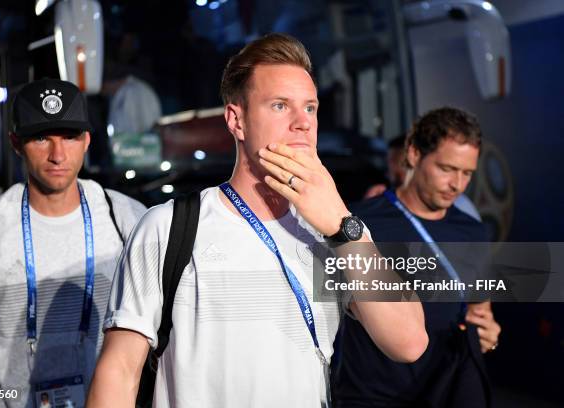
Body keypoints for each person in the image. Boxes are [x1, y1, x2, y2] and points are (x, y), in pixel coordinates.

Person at [86, 33, 427, 408]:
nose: (302, 123)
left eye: (310, 108)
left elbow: (408, 342)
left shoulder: (335, 233)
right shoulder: (168, 227)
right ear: (237, 120)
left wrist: (343, 225)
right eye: (280, 106)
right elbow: (120, 370)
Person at [0, 78, 146, 408]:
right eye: (41, 138)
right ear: (16, 142)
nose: (58, 155)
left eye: (69, 137)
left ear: (87, 140)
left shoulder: (129, 219)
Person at [334, 107, 501, 407]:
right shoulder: (358, 222)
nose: (458, 185)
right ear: (412, 154)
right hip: (370, 397)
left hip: (444, 393)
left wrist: (488, 334)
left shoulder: (473, 232)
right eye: (447, 168)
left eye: (467, 174)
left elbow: (480, 313)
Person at [365, 134, 482, 220]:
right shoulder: (386, 200)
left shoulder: (457, 205)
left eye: (394, 162)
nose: (389, 170)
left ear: (412, 161)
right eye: (389, 163)